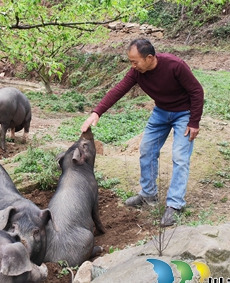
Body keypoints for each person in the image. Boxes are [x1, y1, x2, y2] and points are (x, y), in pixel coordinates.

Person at [81, 38, 204, 226]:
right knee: (147, 150)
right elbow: (118, 90)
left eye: (135, 61)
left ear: (149, 57)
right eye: (130, 61)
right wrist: (96, 113)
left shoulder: (175, 65)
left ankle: (175, 205)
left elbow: (196, 91)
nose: (132, 65)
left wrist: (194, 121)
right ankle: (148, 195)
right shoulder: (137, 73)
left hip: (184, 114)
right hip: (161, 112)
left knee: (180, 156)